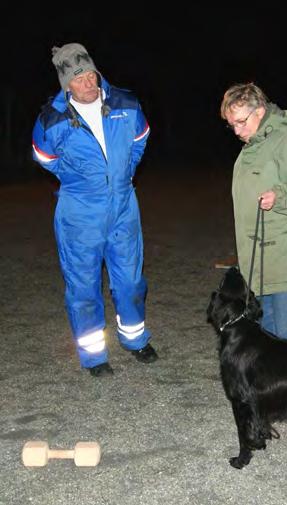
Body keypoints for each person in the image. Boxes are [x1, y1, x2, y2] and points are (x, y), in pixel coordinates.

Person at [32, 43, 158, 377]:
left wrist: (124, 172)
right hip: (79, 213)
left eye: (91, 75)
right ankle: (94, 356)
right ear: (66, 85)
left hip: (123, 206)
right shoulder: (51, 119)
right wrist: (79, 180)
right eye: (79, 79)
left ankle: (135, 339)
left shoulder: (126, 104)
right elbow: (45, 158)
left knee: (130, 281)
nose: (89, 83)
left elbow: (140, 138)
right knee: (83, 286)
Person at [220, 82, 287, 427]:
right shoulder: (253, 145)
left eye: (241, 122)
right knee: (265, 332)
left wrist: (281, 195)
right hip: (261, 260)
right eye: (231, 124)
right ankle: (279, 397)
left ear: (260, 111)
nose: (237, 131)